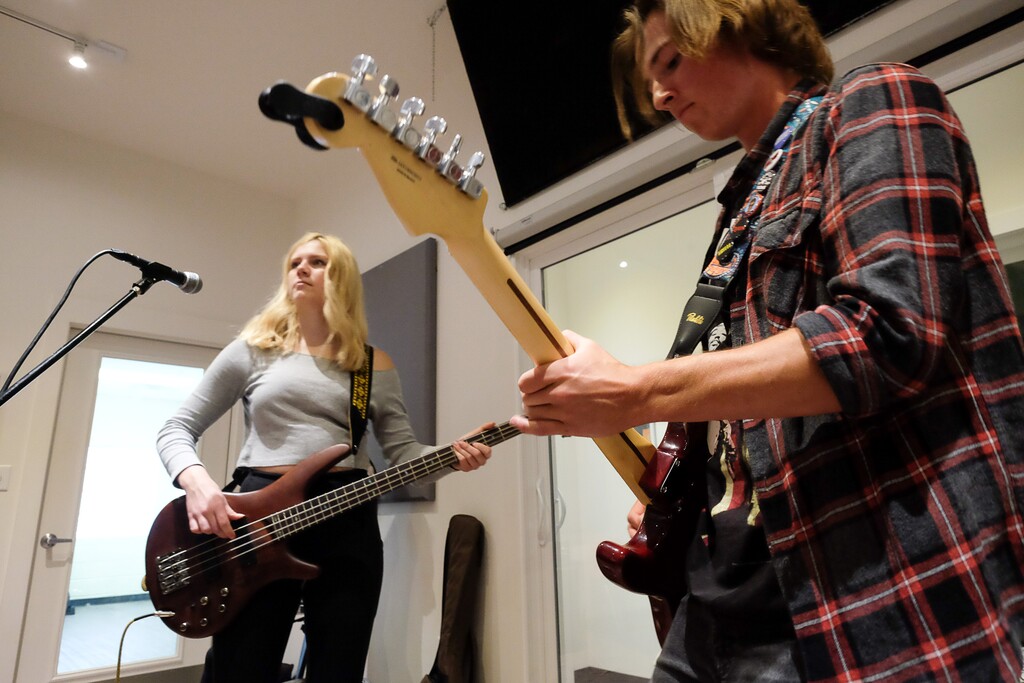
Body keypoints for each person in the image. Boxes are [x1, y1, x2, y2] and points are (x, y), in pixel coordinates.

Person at [509, 0, 1024, 680]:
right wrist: (695, 489)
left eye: (670, 61)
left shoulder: (873, 99)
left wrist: (636, 390)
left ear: (739, 22)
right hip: (718, 601)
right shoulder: (739, 214)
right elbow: (757, 419)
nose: (660, 96)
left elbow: (885, 333)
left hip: (868, 600)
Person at [157, 232, 494, 683]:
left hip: (347, 519)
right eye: (295, 262)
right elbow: (176, 429)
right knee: (241, 666)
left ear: (343, 278)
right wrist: (198, 484)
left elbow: (405, 456)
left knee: (340, 668)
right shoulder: (252, 350)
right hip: (259, 522)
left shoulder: (371, 365)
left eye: (317, 262)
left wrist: (454, 455)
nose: (301, 268)